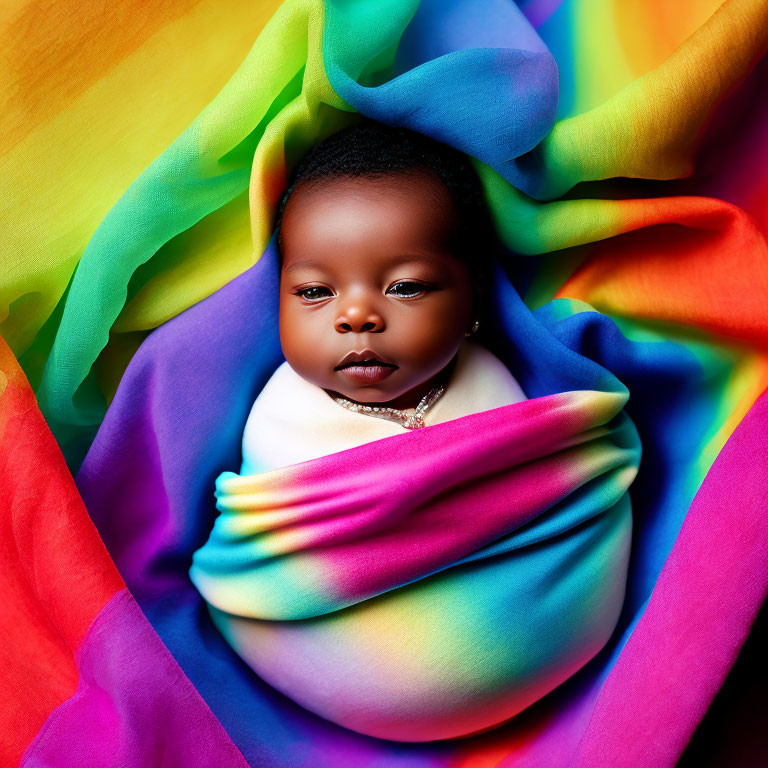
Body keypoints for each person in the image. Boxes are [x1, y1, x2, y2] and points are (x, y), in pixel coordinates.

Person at [239, 119, 527, 476]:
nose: (357, 315)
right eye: (315, 292)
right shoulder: (280, 422)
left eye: (405, 287)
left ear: (474, 295)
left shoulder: (494, 390)